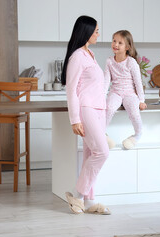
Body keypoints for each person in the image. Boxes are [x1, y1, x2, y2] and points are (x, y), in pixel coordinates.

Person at [61, 15, 110, 215]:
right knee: (102, 152)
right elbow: (71, 90)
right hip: (86, 109)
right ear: (87, 32)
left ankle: (89, 202)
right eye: (96, 30)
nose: (98, 34)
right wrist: (75, 119)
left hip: (99, 110)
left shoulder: (89, 54)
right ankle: (77, 195)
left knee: (91, 154)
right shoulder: (77, 57)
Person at [104, 30, 147, 150]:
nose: (115, 44)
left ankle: (137, 135)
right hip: (115, 92)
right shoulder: (109, 61)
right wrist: (102, 97)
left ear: (127, 47)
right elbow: (106, 81)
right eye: (114, 41)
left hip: (130, 94)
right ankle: (102, 134)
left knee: (134, 112)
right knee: (108, 108)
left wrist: (141, 100)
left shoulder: (131, 62)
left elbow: (138, 83)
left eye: (120, 43)